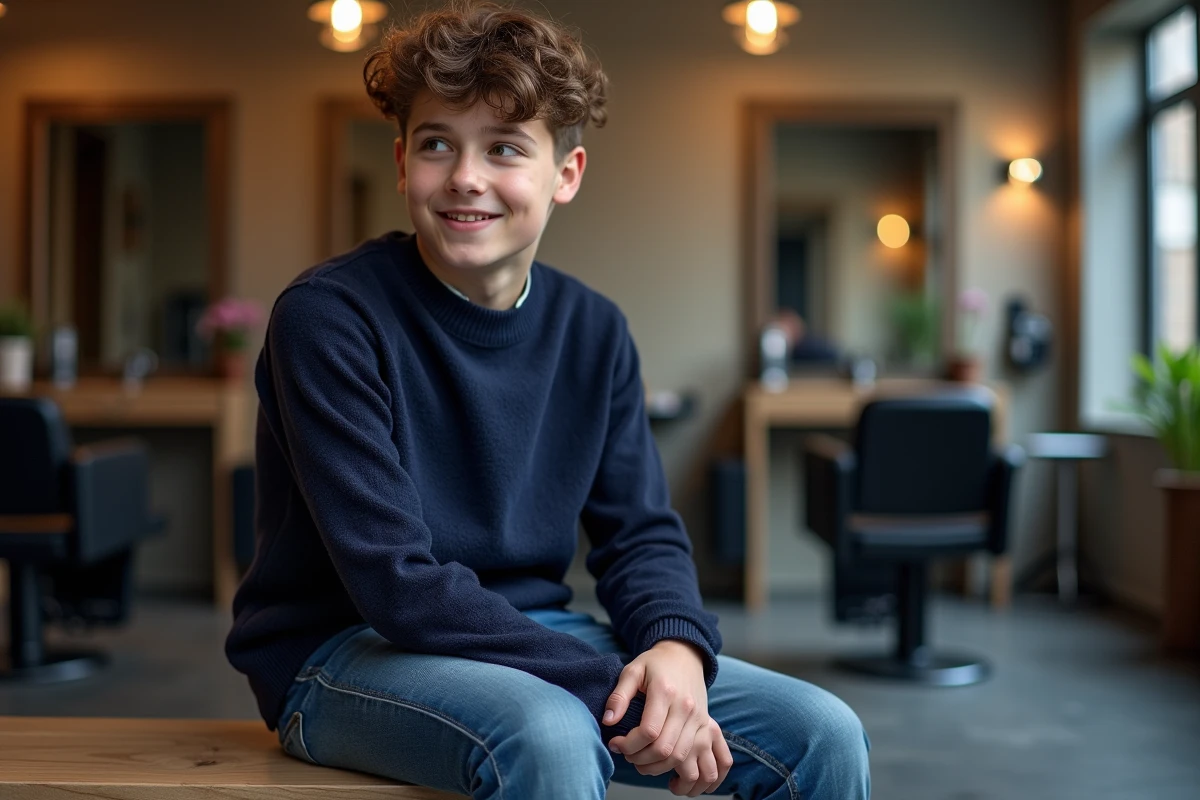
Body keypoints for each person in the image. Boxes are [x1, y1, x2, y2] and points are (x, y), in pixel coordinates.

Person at [225, 3, 870, 798]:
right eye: (437, 145)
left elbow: (639, 532)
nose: (465, 176)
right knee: (551, 734)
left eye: (504, 148)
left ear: (565, 174)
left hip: (537, 636)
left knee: (823, 734)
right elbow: (393, 581)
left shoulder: (593, 328)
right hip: (343, 650)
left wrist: (675, 650)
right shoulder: (328, 317)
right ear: (401, 164)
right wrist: (614, 684)